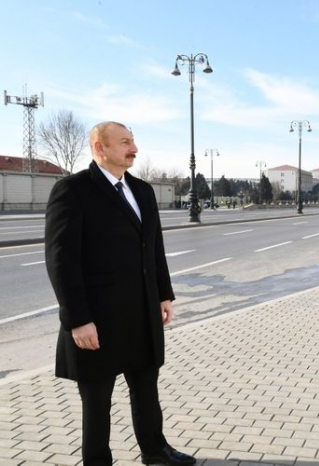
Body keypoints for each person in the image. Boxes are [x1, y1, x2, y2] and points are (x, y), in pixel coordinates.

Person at [44, 121, 196, 466]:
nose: (134, 148)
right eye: (125, 142)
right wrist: (78, 320)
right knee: (96, 400)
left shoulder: (141, 190)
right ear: (100, 148)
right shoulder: (73, 190)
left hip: (141, 312)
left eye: (133, 141)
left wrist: (163, 295)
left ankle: (155, 452)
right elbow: (61, 260)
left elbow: (153, 248)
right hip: (97, 318)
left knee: (146, 389)